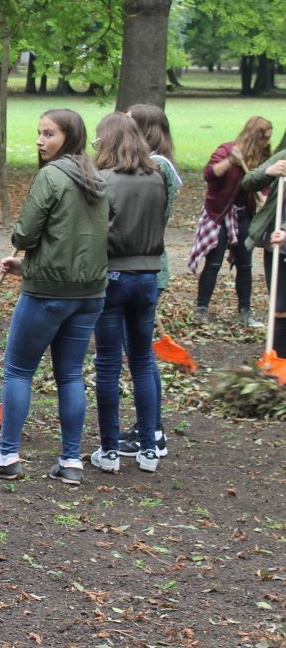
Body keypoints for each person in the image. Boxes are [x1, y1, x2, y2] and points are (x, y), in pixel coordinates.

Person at [0, 109, 108, 485]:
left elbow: (24, 234)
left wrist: (28, 255)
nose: (40, 140)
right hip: (89, 293)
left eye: (49, 134)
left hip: (49, 293)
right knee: (70, 374)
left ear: (70, 137)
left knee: (18, 370)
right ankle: (71, 462)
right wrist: (27, 266)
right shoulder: (96, 177)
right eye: (39, 133)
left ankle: (7, 456)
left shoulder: (51, 176)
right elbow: (79, 238)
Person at [89, 112, 168, 475]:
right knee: (141, 361)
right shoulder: (157, 178)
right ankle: (149, 448)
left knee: (107, 365)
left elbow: (96, 230)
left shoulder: (103, 180)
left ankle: (109, 450)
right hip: (148, 276)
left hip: (113, 275)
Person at [117, 104, 181, 459]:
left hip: (145, 268)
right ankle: (149, 426)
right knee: (138, 353)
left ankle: (152, 432)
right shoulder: (151, 165)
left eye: (129, 124)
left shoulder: (159, 167)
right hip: (143, 266)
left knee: (140, 355)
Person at [189, 116, 271, 327]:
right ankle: (201, 310)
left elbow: (264, 180)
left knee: (245, 265)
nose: (268, 143)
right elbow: (209, 174)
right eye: (265, 138)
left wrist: (264, 195)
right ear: (254, 137)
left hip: (244, 215)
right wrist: (230, 162)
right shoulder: (227, 150)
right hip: (219, 214)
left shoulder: (261, 156)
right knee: (213, 263)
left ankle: (245, 311)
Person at [240, 147, 286, 362]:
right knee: (279, 306)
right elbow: (248, 182)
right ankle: (277, 362)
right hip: (276, 245)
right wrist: (269, 171)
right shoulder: (284, 157)